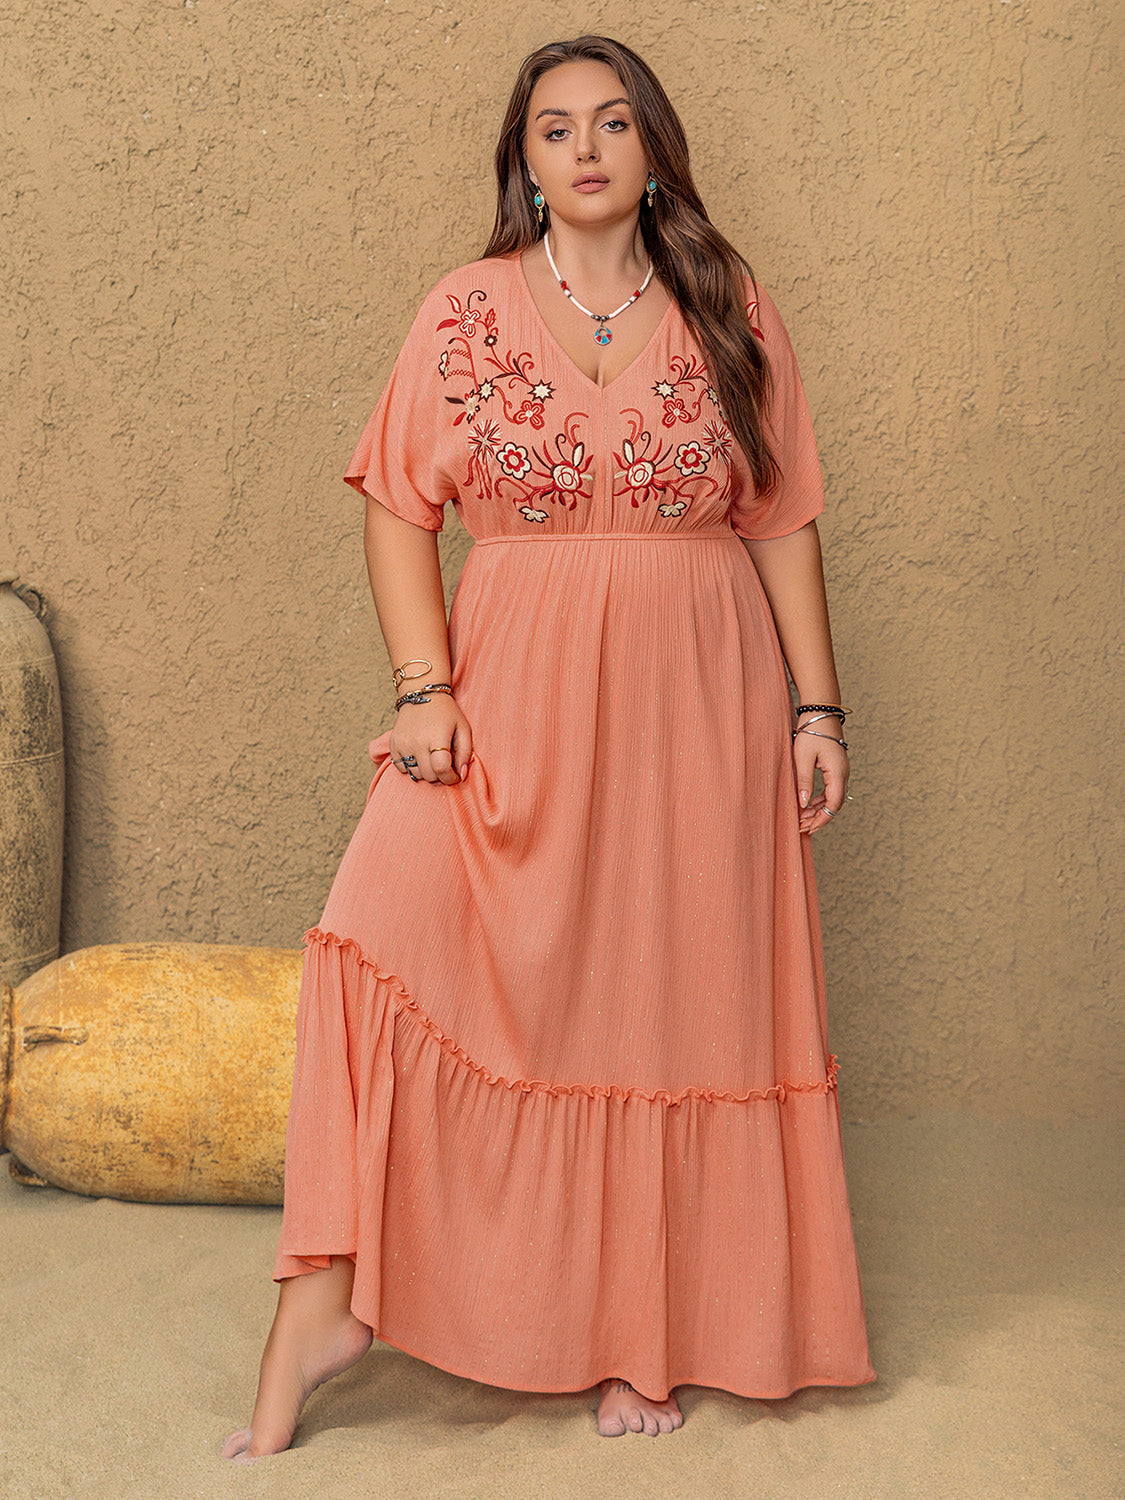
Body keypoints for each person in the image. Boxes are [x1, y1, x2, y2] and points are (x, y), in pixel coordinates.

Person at [223, 33, 876, 1460]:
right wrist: (423, 687)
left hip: (699, 695)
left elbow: (781, 519)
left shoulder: (727, 303)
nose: (585, 148)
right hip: (512, 686)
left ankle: (644, 1333)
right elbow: (397, 505)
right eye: (556, 127)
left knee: (663, 997)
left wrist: (816, 709)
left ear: (655, 152)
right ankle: (325, 1303)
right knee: (378, 925)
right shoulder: (463, 311)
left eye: (615, 122)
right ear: (522, 162)